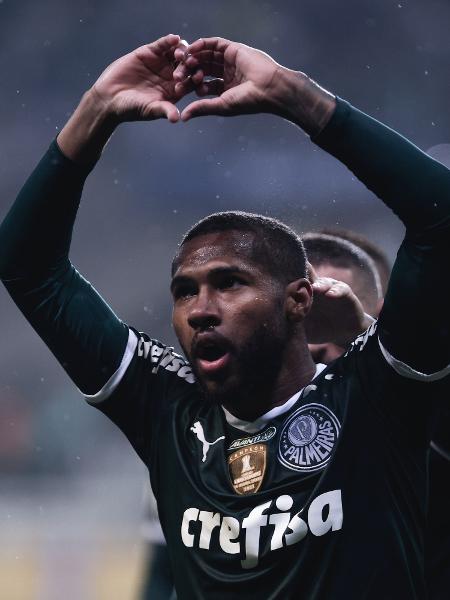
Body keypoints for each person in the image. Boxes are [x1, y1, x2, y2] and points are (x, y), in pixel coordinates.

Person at [0, 33, 449, 599]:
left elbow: (440, 216)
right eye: (184, 292)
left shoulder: (374, 398)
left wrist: (295, 97)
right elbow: (26, 265)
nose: (201, 310)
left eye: (230, 283)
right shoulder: (166, 410)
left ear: (299, 300)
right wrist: (98, 109)